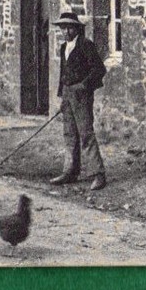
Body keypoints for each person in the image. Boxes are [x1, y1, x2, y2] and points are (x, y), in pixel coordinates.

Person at [49, 11, 108, 191]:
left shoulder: (86, 45)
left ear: (76, 28)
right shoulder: (63, 47)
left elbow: (99, 69)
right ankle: (70, 171)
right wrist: (62, 96)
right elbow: (63, 74)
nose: (66, 31)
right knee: (69, 134)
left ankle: (98, 175)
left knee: (86, 134)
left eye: (69, 27)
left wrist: (84, 86)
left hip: (81, 95)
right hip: (68, 94)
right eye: (62, 28)